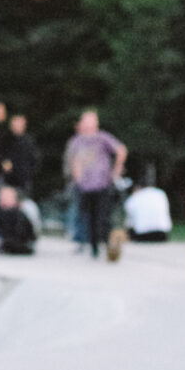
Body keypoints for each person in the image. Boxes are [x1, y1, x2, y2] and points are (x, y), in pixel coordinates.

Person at [64, 109, 127, 258]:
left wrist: (116, 169)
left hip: (102, 183)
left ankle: (107, 243)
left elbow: (121, 150)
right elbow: (74, 159)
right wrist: (77, 178)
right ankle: (93, 247)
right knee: (89, 216)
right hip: (85, 185)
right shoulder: (77, 140)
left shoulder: (102, 138)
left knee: (103, 216)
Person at [0, 183, 36, 253]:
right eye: (1, 197)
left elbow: (22, 236)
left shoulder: (19, 215)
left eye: (6, 197)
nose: (2, 200)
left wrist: (1, 242)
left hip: (19, 246)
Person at [124, 173, 172, 241]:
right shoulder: (161, 193)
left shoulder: (134, 197)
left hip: (142, 234)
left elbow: (129, 221)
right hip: (162, 234)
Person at [3, 113, 40, 196]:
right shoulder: (5, 140)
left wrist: (28, 173)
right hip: (8, 180)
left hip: (23, 180)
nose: (15, 126)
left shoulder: (29, 141)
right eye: (14, 124)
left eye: (18, 124)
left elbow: (35, 160)